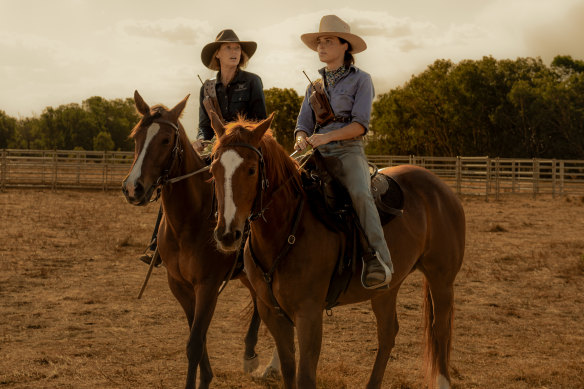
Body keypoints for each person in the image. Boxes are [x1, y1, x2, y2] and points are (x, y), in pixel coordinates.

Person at [139, 29, 267, 266]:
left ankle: (252, 244)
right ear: (217, 54)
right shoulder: (206, 88)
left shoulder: (252, 82)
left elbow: (260, 122)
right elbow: (202, 127)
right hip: (216, 148)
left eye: (237, 48)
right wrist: (200, 140)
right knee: (177, 179)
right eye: (228, 47)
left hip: (243, 150)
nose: (234, 51)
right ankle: (158, 242)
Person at [294, 15, 394, 289]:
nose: (321, 47)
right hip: (315, 152)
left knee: (361, 194)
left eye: (328, 41)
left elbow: (360, 126)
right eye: (319, 42)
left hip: (348, 151)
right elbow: (302, 124)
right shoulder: (312, 87)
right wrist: (301, 138)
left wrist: (325, 136)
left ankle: (380, 260)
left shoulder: (362, 80)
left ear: (344, 47)